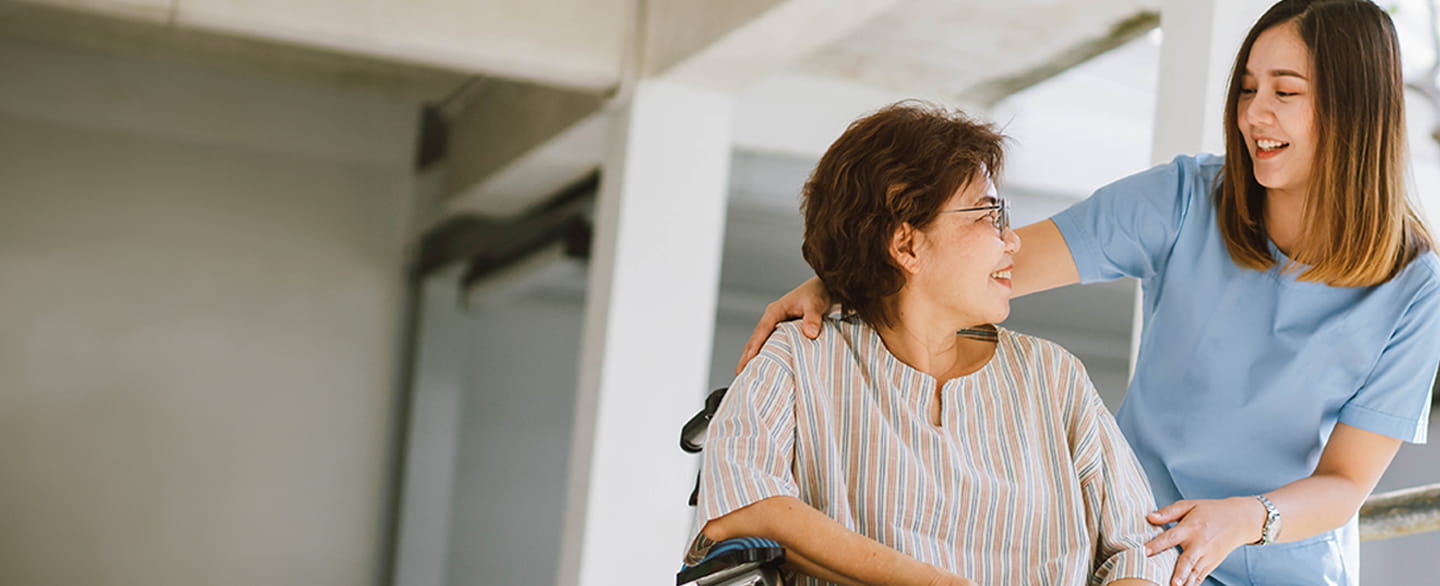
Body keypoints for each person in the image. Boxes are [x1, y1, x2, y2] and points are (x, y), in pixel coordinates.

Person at [734, 2, 1440, 586]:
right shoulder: (1187, 198)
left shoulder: (1416, 288)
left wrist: (1244, 518)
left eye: (1285, 93)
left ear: (1356, 110)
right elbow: (984, 263)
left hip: (1283, 558)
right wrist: (847, 275)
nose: (1254, 114)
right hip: (1145, 548)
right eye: (1247, 89)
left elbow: (1346, 481)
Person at [687, 101, 1175, 586]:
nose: (1012, 241)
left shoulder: (1053, 376)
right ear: (906, 245)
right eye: (989, 215)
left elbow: (1141, 550)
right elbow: (741, 506)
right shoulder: (797, 357)